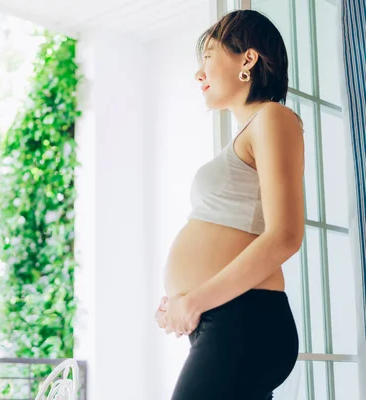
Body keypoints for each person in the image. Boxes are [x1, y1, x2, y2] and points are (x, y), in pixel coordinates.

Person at [154, 10, 304, 400]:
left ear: (247, 59)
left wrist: (195, 300)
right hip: (224, 319)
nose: (198, 72)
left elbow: (285, 236)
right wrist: (180, 303)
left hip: (245, 320)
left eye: (207, 55)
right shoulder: (247, 133)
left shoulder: (273, 117)